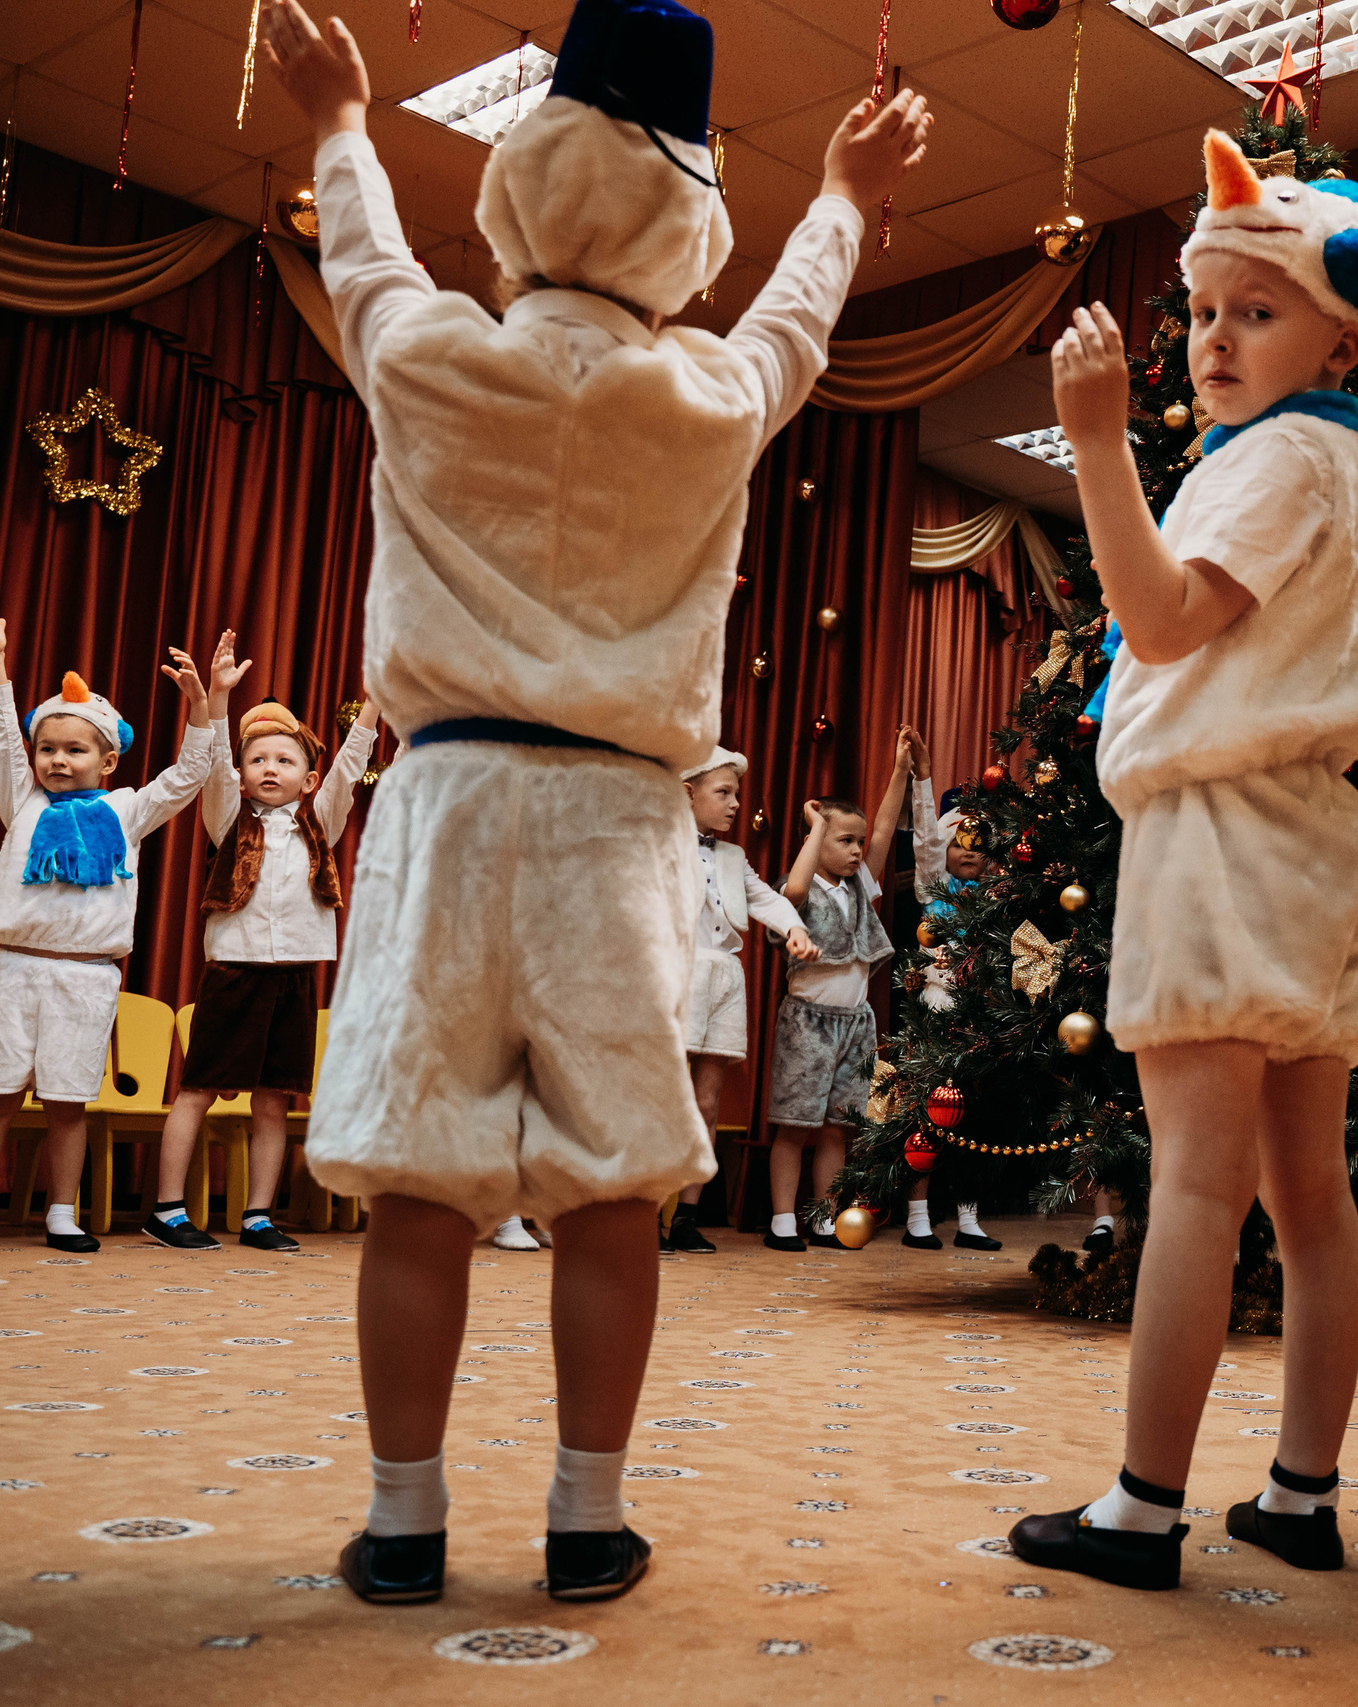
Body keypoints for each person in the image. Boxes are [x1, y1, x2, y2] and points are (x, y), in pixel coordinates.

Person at [259, 0, 928, 1606]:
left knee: (419, 1182)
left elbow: (359, 262)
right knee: (616, 1187)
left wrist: (341, 118)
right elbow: (796, 332)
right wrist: (843, 192)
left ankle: (405, 1523)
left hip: (449, 802)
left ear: (510, 204)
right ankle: (586, 1517)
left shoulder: (424, 354)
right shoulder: (708, 397)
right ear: (692, 237)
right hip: (619, 825)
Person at [1007, 132, 1358, 1591]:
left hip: (1224, 837)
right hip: (1312, 843)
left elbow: (1167, 618)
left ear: (1343, 333)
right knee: (1311, 1187)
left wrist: (1101, 441)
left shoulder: (1280, 458)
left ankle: (1140, 1505)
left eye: (1261, 310)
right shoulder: (1346, 471)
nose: (1218, 338)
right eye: (1208, 309)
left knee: (1195, 1179)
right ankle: (1300, 1491)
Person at [0, 604, 223, 1257]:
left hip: (88, 976)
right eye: (47, 747)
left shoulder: (126, 810)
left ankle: (63, 1213)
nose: (55, 759)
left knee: (68, 1099)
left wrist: (200, 708)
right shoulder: (22, 798)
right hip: (16, 968)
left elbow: (188, 778)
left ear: (107, 761)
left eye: (74, 749)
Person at [145, 692, 382, 1253]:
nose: (269, 768)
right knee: (198, 1089)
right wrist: (221, 700)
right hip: (234, 971)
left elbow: (351, 764)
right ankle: (167, 1209)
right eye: (258, 761)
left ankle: (257, 1216)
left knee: (275, 1098)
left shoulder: (320, 821)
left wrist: (374, 706)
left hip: (296, 974)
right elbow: (217, 766)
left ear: (308, 779)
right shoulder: (226, 815)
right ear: (242, 776)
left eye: (284, 760)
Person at [658, 745, 811, 1254]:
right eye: (723, 793)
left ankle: (686, 1215)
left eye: (737, 795)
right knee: (664, 1099)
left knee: (705, 1102)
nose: (734, 804)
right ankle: (641, 1211)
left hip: (724, 977)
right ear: (687, 794)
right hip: (676, 972)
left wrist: (793, 928)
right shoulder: (657, 844)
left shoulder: (733, 856)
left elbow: (765, 897)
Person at [769, 735, 913, 1247]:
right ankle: (782, 1219)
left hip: (855, 1023)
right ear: (816, 842)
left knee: (838, 1127)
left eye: (856, 841)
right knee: (794, 1123)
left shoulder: (859, 886)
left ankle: (824, 1216)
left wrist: (899, 772)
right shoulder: (796, 888)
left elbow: (883, 838)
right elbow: (796, 892)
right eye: (842, 841)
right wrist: (815, 827)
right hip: (808, 1020)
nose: (855, 850)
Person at [899, 730, 997, 1250]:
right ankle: (917, 1216)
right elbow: (924, 839)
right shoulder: (931, 887)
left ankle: (968, 1219)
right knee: (928, 1111)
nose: (968, 853)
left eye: (979, 846)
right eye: (960, 841)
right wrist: (923, 779)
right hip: (935, 1007)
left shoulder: (995, 901)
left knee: (974, 1119)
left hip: (980, 1015)